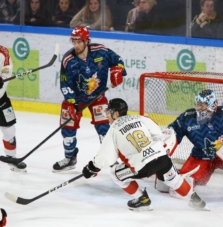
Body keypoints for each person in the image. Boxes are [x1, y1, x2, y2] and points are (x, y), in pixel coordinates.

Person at [81, 98, 207, 211]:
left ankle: (142, 199)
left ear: (116, 113)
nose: (107, 116)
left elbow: (105, 158)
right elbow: (159, 134)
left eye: (109, 112)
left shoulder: (113, 129)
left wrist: (91, 168)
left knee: (115, 173)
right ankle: (195, 199)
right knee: (173, 179)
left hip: (142, 166)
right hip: (162, 158)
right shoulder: (141, 118)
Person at [54, 26, 127, 172]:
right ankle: (70, 158)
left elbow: (117, 60)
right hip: (75, 99)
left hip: (97, 97)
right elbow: (64, 84)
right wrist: (71, 103)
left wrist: (118, 70)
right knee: (68, 129)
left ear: (87, 41)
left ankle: (112, 160)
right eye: (74, 42)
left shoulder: (101, 50)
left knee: (104, 130)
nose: (76, 45)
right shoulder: (68, 60)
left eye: (79, 42)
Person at [0, 45, 26, 173]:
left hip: (1, 98)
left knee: (9, 130)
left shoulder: (3, 52)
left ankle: (11, 158)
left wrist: (2, 80)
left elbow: (6, 71)